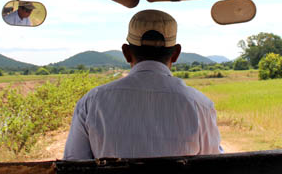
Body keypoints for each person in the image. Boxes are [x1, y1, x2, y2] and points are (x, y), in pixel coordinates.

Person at [63, 9, 222, 160]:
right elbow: (213, 166)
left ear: (126, 52)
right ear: (176, 54)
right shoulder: (200, 105)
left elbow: (73, 165)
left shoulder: (92, 102)